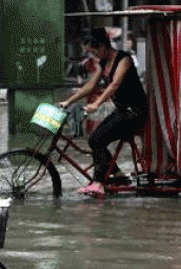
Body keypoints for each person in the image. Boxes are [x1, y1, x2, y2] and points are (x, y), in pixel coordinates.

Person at [59, 28, 147, 197]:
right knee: (94, 139)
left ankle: (98, 183)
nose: (93, 56)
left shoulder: (124, 59)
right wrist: (68, 102)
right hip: (123, 110)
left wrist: (97, 104)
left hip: (135, 111)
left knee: (98, 139)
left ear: (101, 46)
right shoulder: (103, 63)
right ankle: (117, 174)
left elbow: (114, 85)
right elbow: (90, 86)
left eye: (93, 51)